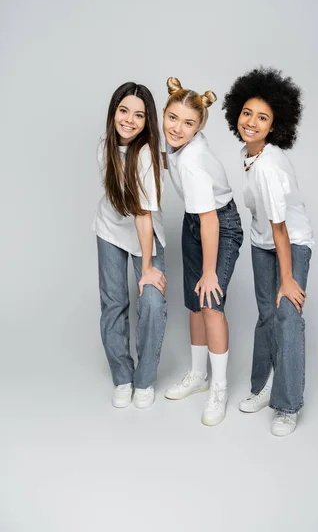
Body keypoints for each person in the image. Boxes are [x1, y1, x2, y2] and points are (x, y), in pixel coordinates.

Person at [222, 67, 314, 436]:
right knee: (266, 316)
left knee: (287, 316)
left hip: (290, 242)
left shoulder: (269, 168)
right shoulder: (249, 155)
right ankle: (262, 387)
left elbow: (281, 227)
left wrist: (288, 279)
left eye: (263, 118)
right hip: (264, 242)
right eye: (247, 113)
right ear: (236, 114)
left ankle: (287, 406)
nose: (252, 122)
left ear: (275, 126)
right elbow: (266, 225)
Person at [163, 77, 243, 426]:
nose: (178, 128)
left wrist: (210, 272)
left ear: (199, 128)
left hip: (219, 225)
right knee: (193, 304)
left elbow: (210, 222)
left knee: (210, 303)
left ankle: (219, 388)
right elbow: (163, 158)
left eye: (188, 123)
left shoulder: (193, 161)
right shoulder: (173, 142)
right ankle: (198, 376)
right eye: (172, 118)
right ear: (164, 114)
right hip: (194, 221)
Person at [92, 82, 167, 410]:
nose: (129, 120)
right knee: (113, 304)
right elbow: (115, 200)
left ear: (147, 120)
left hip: (145, 231)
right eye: (124, 111)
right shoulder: (104, 145)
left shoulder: (147, 153)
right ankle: (122, 376)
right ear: (113, 112)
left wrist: (148, 268)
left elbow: (141, 214)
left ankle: (144, 379)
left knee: (151, 301)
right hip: (109, 229)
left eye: (139, 115)